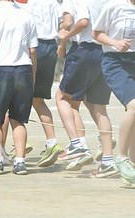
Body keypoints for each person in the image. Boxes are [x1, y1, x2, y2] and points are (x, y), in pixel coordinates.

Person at [56, 0, 118, 178]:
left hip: (87, 49)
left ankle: (77, 144)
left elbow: (83, 22)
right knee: (98, 107)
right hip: (106, 51)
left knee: (63, 97)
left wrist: (65, 37)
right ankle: (107, 161)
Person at [0, 0, 38, 175]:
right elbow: (33, 51)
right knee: (18, 119)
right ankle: (20, 161)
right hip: (24, 68)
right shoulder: (27, 14)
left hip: (0, 68)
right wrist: (33, 75)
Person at [16, 0, 64, 168]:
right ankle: (52, 142)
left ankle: (21, 142)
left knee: (14, 97)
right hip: (51, 46)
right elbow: (63, 22)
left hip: (33, 46)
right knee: (38, 99)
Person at [93, 0, 135, 184]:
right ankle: (121, 158)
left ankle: (132, 166)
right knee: (133, 106)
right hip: (115, 61)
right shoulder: (114, 6)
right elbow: (96, 33)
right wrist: (116, 43)